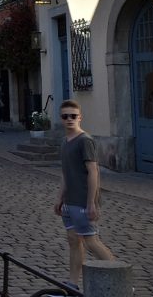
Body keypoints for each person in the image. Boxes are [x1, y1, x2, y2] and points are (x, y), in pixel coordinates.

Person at [54, 100, 115, 289]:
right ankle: (73, 283)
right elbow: (66, 173)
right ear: (61, 119)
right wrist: (59, 198)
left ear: (80, 117)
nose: (69, 119)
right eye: (65, 116)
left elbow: (93, 171)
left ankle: (121, 278)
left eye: (73, 116)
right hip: (69, 202)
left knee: (92, 242)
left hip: (82, 201)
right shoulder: (65, 142)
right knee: (73, 241)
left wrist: (91, 203)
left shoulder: (85, 140)